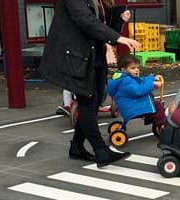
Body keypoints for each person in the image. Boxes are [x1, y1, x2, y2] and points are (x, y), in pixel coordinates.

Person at [39, 0, 140, 168]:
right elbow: (87, 21)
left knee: (96, 100)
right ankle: (101, 151)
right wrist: (119, 37)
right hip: (78, 58)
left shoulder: (100, 2)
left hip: (94, 56)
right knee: (87, 101)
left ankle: (77, 147)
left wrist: (119, 19)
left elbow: (104, 31)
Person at [55, 4, 131, 116]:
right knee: (74, 80)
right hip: (79, 50)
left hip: (96, 52)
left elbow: (108, 29)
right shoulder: (83, 6)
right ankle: (68, 105)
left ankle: (91, 105)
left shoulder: (105, 7)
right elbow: (89, 23)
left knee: (97, 86)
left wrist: (120, 20)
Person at [106, 54, 165, 127]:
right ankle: (160, 125)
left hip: (131, 106)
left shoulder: (124, 78)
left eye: (137, 67)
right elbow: (139, 90)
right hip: (133, 109)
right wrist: (152, 84)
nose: (136, 70)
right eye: (133, 68)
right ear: (123, 69)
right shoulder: (126, 81)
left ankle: (154, 120)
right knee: (158, 105)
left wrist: (152, 78)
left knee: (155, 104)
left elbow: (140, 81)